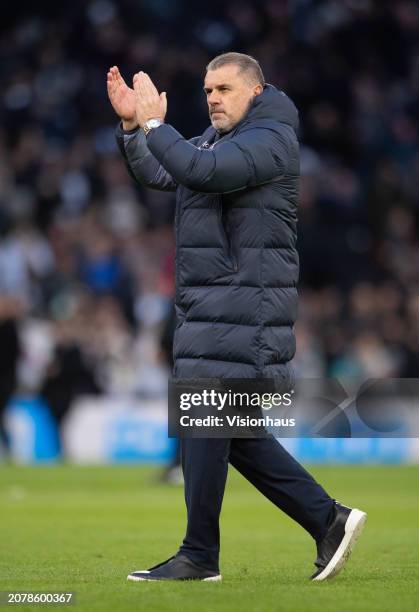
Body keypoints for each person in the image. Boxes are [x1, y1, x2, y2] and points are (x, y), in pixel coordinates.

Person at [107, 52, 366, 582]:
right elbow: (168, 169)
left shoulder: (269, 140)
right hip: (217, 310)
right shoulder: (221, 139)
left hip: (241, 312)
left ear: (256, 91)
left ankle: (200, 555)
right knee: (232, 435)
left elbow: (196, 167)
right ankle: (328, 520)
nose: (212, 99)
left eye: (223, 89)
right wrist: (135, 129)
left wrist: (157, 123)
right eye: (207, 91)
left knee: (207, 423)